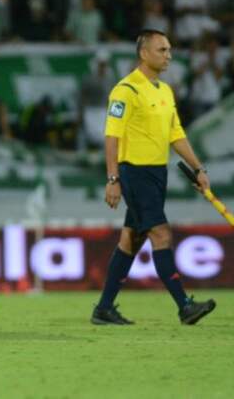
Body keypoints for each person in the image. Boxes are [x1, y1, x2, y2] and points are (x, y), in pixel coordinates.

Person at [93, 29, 216, 326]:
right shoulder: (126, 90)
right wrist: (113, 180)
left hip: (157, 173)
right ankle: (184, 306)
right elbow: (112, 137)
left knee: (131, 241)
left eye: (169, 49)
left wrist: (199, 169)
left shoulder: (164, 91)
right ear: (144, 53)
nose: (169, 55)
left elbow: (177, 135)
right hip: (134, 173)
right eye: (162, 50)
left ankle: (104, 309)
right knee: (161, 234)